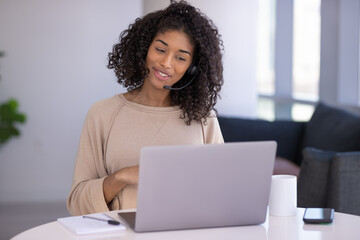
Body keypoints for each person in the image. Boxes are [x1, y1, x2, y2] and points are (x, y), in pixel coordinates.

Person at [67, 0, 224, 216]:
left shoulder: (203, 119)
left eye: (180, 57)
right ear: (144, 49)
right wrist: (122, 177)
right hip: (120, 233)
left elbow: (223, 191)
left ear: (192, 68)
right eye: (160, 49)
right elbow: (77, 202)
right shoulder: (102, 114)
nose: (166, 63)